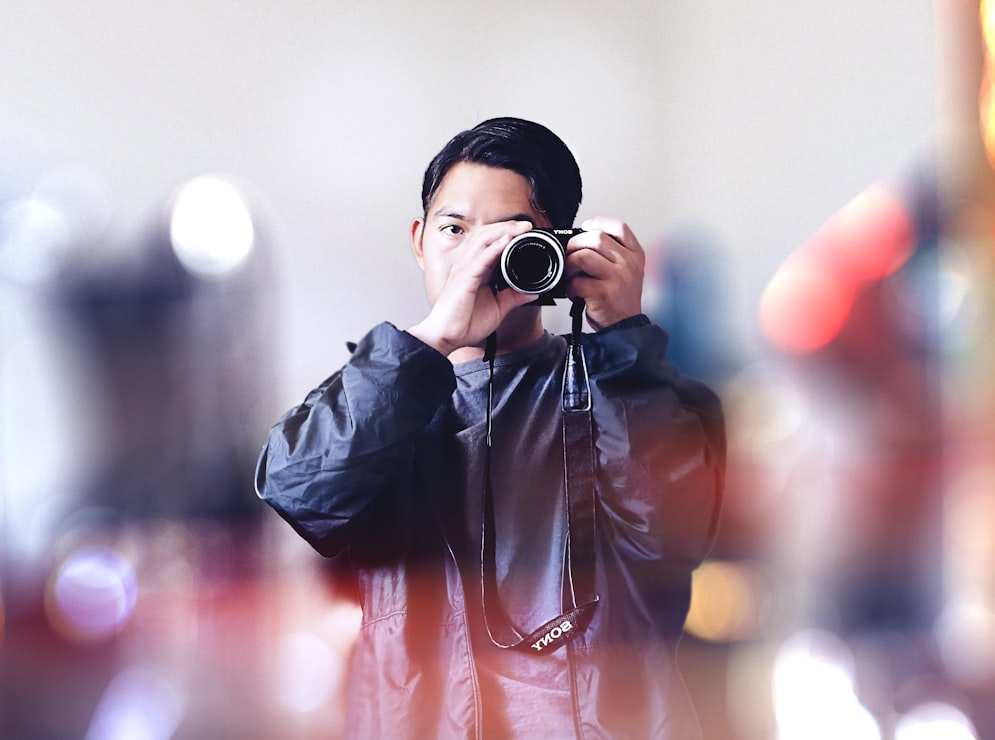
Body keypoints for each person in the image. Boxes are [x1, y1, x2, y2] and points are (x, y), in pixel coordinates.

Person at [256, 117, 726, 738]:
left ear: (554, 251)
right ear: (420, 240)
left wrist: (622, 339)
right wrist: (434, 340)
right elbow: (299, 493)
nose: (478, 257)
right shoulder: (375, 393)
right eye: (455, 230)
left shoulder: (631, 386)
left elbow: (671, 532)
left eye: (508, 241)